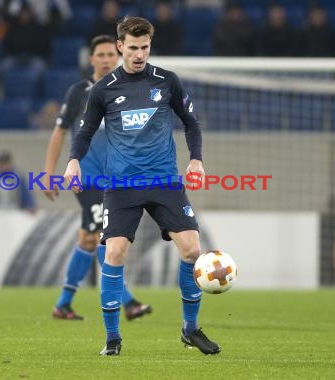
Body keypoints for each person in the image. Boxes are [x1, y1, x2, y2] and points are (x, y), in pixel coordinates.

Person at [64, 17, 220, 356]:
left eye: (144, 48)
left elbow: (191, 121)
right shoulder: (104, 89)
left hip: (164, 180)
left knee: (193, 250)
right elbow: (86, 131)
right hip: (121, 185)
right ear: (121, 46)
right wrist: (74, 160)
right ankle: (112, 339)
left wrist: (196, 159)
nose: (139, 54)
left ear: (150, 45)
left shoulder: (167, 81)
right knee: (115, 253)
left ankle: (190, 329)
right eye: (133, 48)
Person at [44, 35, 152, 321]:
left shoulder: (129, 90)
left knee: (89, 240)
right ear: (91, 59)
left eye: (109, 55)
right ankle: (128, 302)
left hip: (117, 180)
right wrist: (48, 173)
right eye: (100, 55)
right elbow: (59, 132)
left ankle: (63, 303)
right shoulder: (79, 91)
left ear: (117, 56)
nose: (105, 59)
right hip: (88, 179)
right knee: (101, 238)